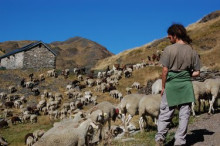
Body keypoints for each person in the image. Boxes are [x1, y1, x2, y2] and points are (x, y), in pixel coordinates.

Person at [155, 24, 200, 146]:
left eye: (170, 37)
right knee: (184, 114)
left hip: (171, 86)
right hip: (185, 85)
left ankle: (160, 138)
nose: (170, 40)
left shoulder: (169, 50)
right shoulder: (192, 51)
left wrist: (163, 87)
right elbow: (197, 72)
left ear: (175, 35)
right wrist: (186, 75)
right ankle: (180, 141)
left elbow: (164, 71)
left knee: (165, 114)